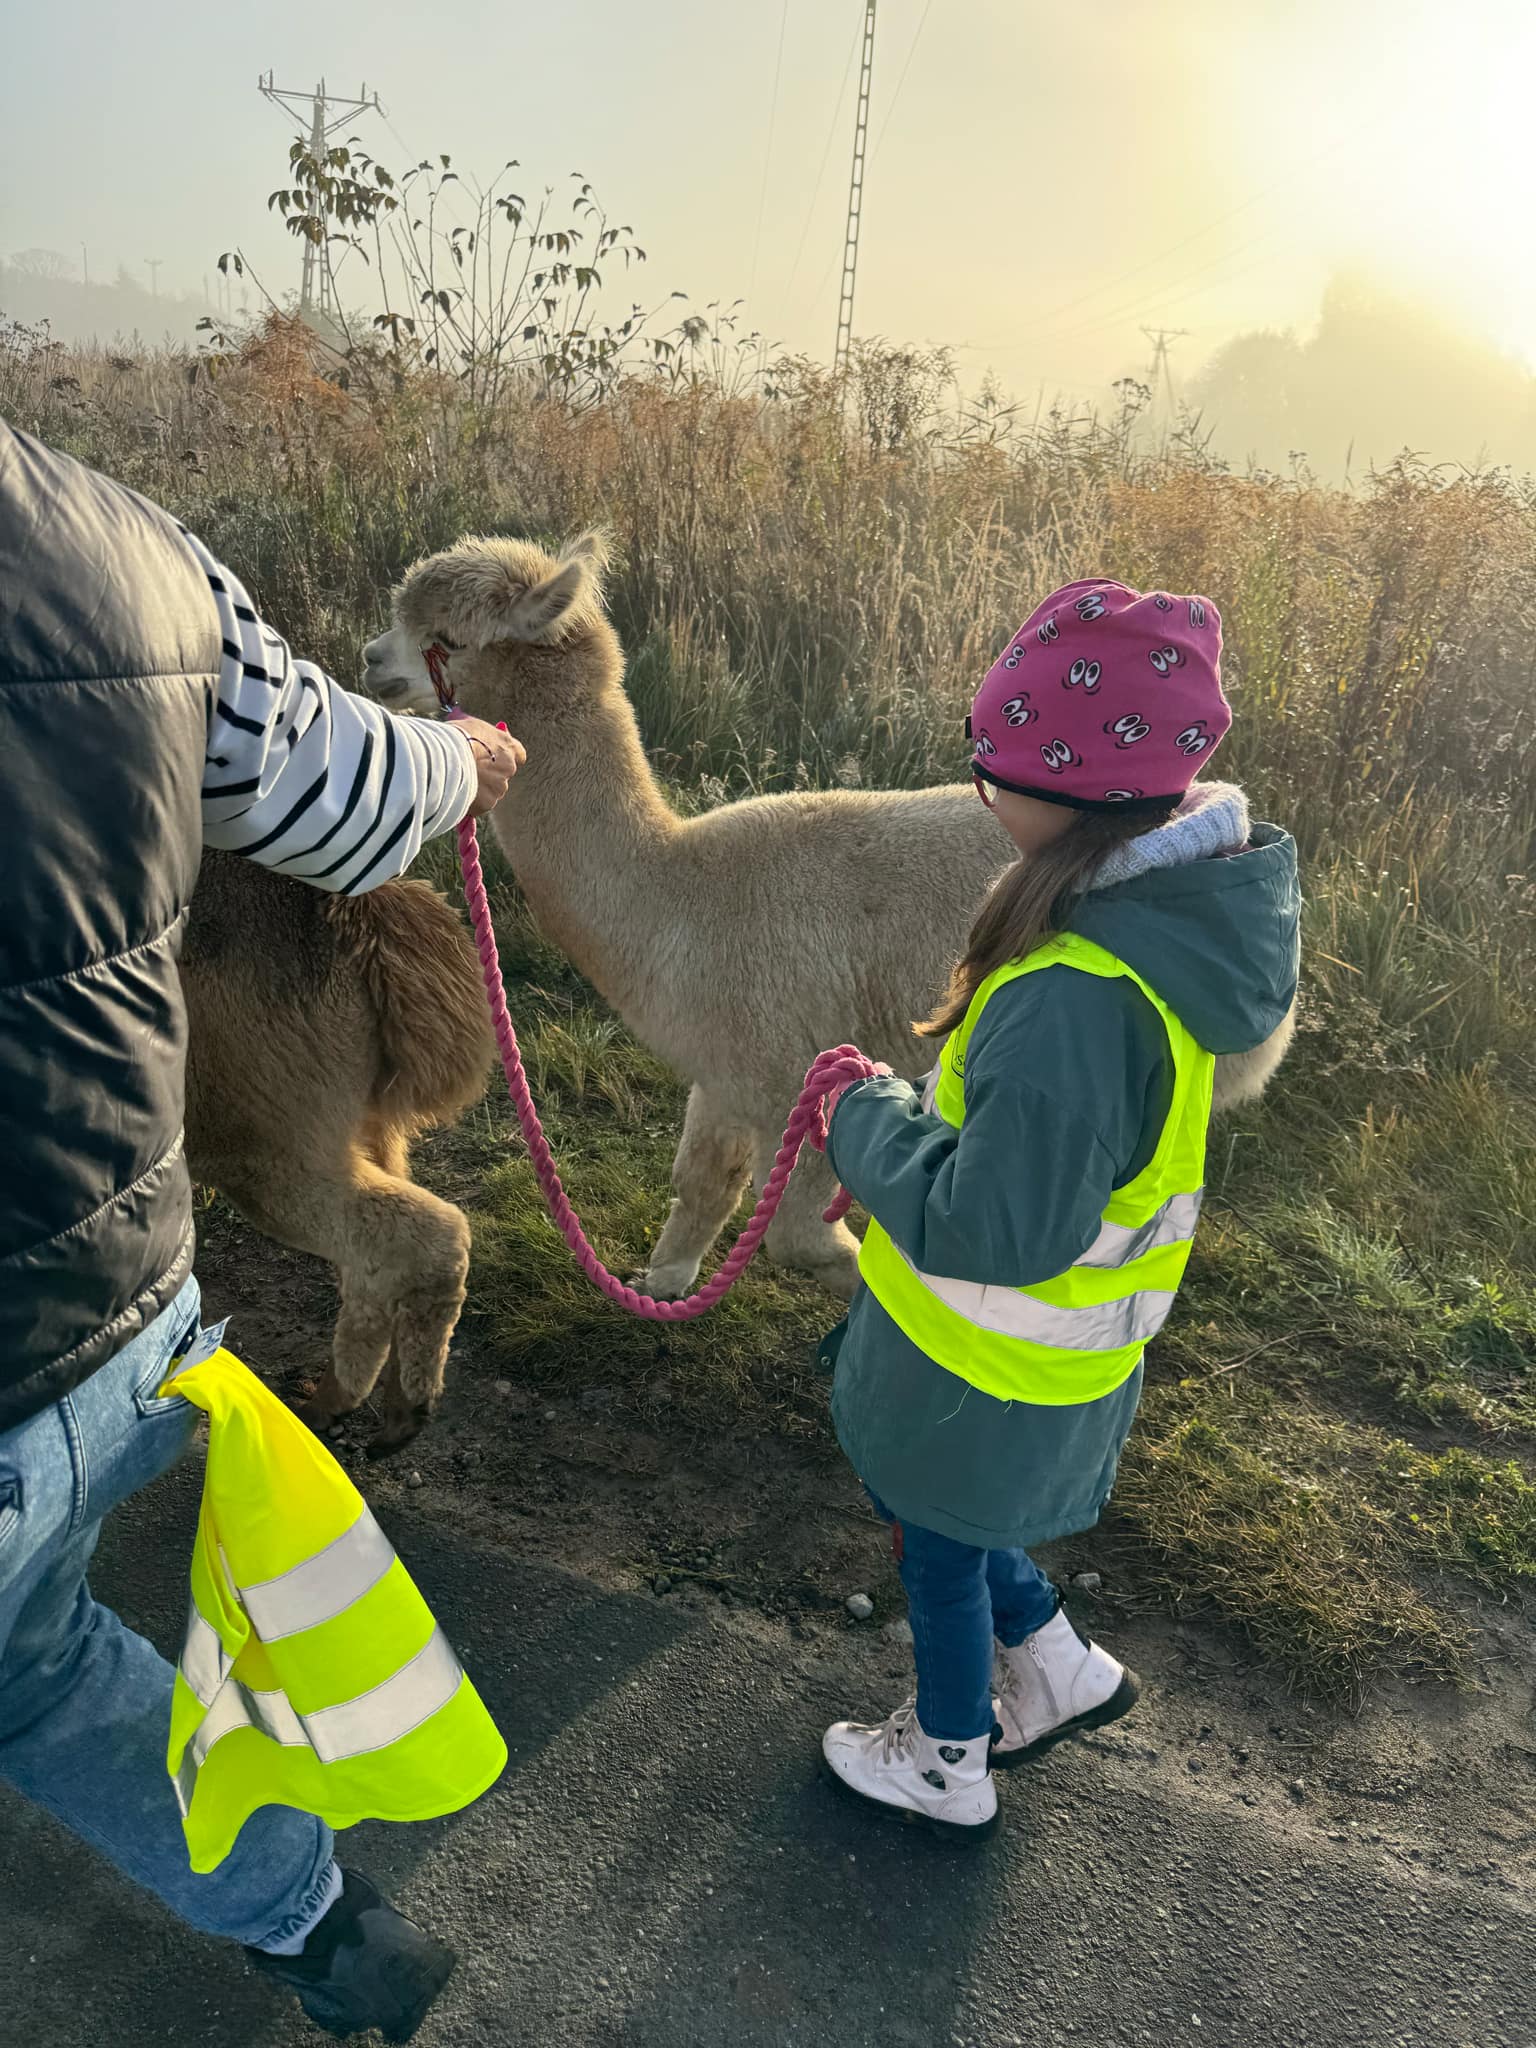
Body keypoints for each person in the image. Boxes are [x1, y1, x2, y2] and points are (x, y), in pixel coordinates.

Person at [0, 421, 523, 2040]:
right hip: (120, 1329)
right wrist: (466, 762)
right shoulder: (118, 535)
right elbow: (346, 788)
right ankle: (314, 1915)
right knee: (36, 1665)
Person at [816, 579, 1300, 1841]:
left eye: (992, 773)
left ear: (1067, 789)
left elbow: (1000, 1224)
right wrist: (901, 1124)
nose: (983, 797)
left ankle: (947, 1757)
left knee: (934, 1544)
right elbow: (1020, 1135)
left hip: (989, 1360)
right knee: (960, 1524)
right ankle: (1060, 1664)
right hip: (1055, 1357)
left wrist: (857, 1120)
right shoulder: (1143, 941)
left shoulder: (1074, 991)